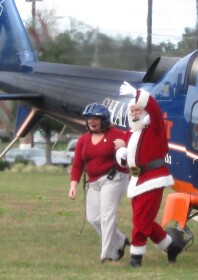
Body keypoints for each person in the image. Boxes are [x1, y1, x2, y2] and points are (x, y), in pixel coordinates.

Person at [115, 81, 183, 267]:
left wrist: (137, 93)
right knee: (141, 219)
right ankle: (172, 246)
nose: (135, 113)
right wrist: (121, 155)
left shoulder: (155, 128)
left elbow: (152, 106)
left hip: (153, 178)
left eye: (138, 109)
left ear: (144, 111)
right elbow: (130, 158)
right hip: (136, 180)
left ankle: (135, 258)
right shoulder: (131, 133)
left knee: (141, 220)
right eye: (132, 110)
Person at [68, 102, 130, 263]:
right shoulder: (83, 140)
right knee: (93, 218)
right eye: (89, 118)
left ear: (105, 120)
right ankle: (120, 241)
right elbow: (77, 164)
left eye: (96, 118)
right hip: (93, 183)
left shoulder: (116, 134)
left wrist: (125, 145)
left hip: (114, 178)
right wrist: (73, 185)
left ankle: (107, 255)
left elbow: (133, 148)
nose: (91, 121)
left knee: (107, 216)